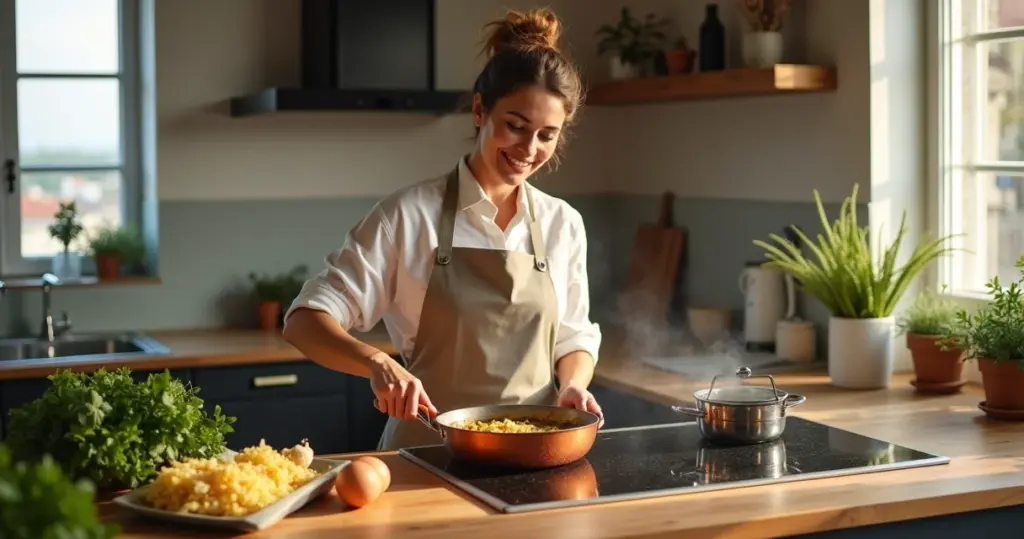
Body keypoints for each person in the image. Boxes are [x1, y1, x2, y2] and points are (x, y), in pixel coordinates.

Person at [282, 7, 603, 451]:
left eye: (547, 135)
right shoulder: (408, 216)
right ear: (479, 110)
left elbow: (574, 335)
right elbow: (304, 321)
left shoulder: (562, 223)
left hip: (534, 455)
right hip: (426, 455)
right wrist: (378, 363)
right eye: (515, 126)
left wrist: (572, 385)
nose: (529, 149)